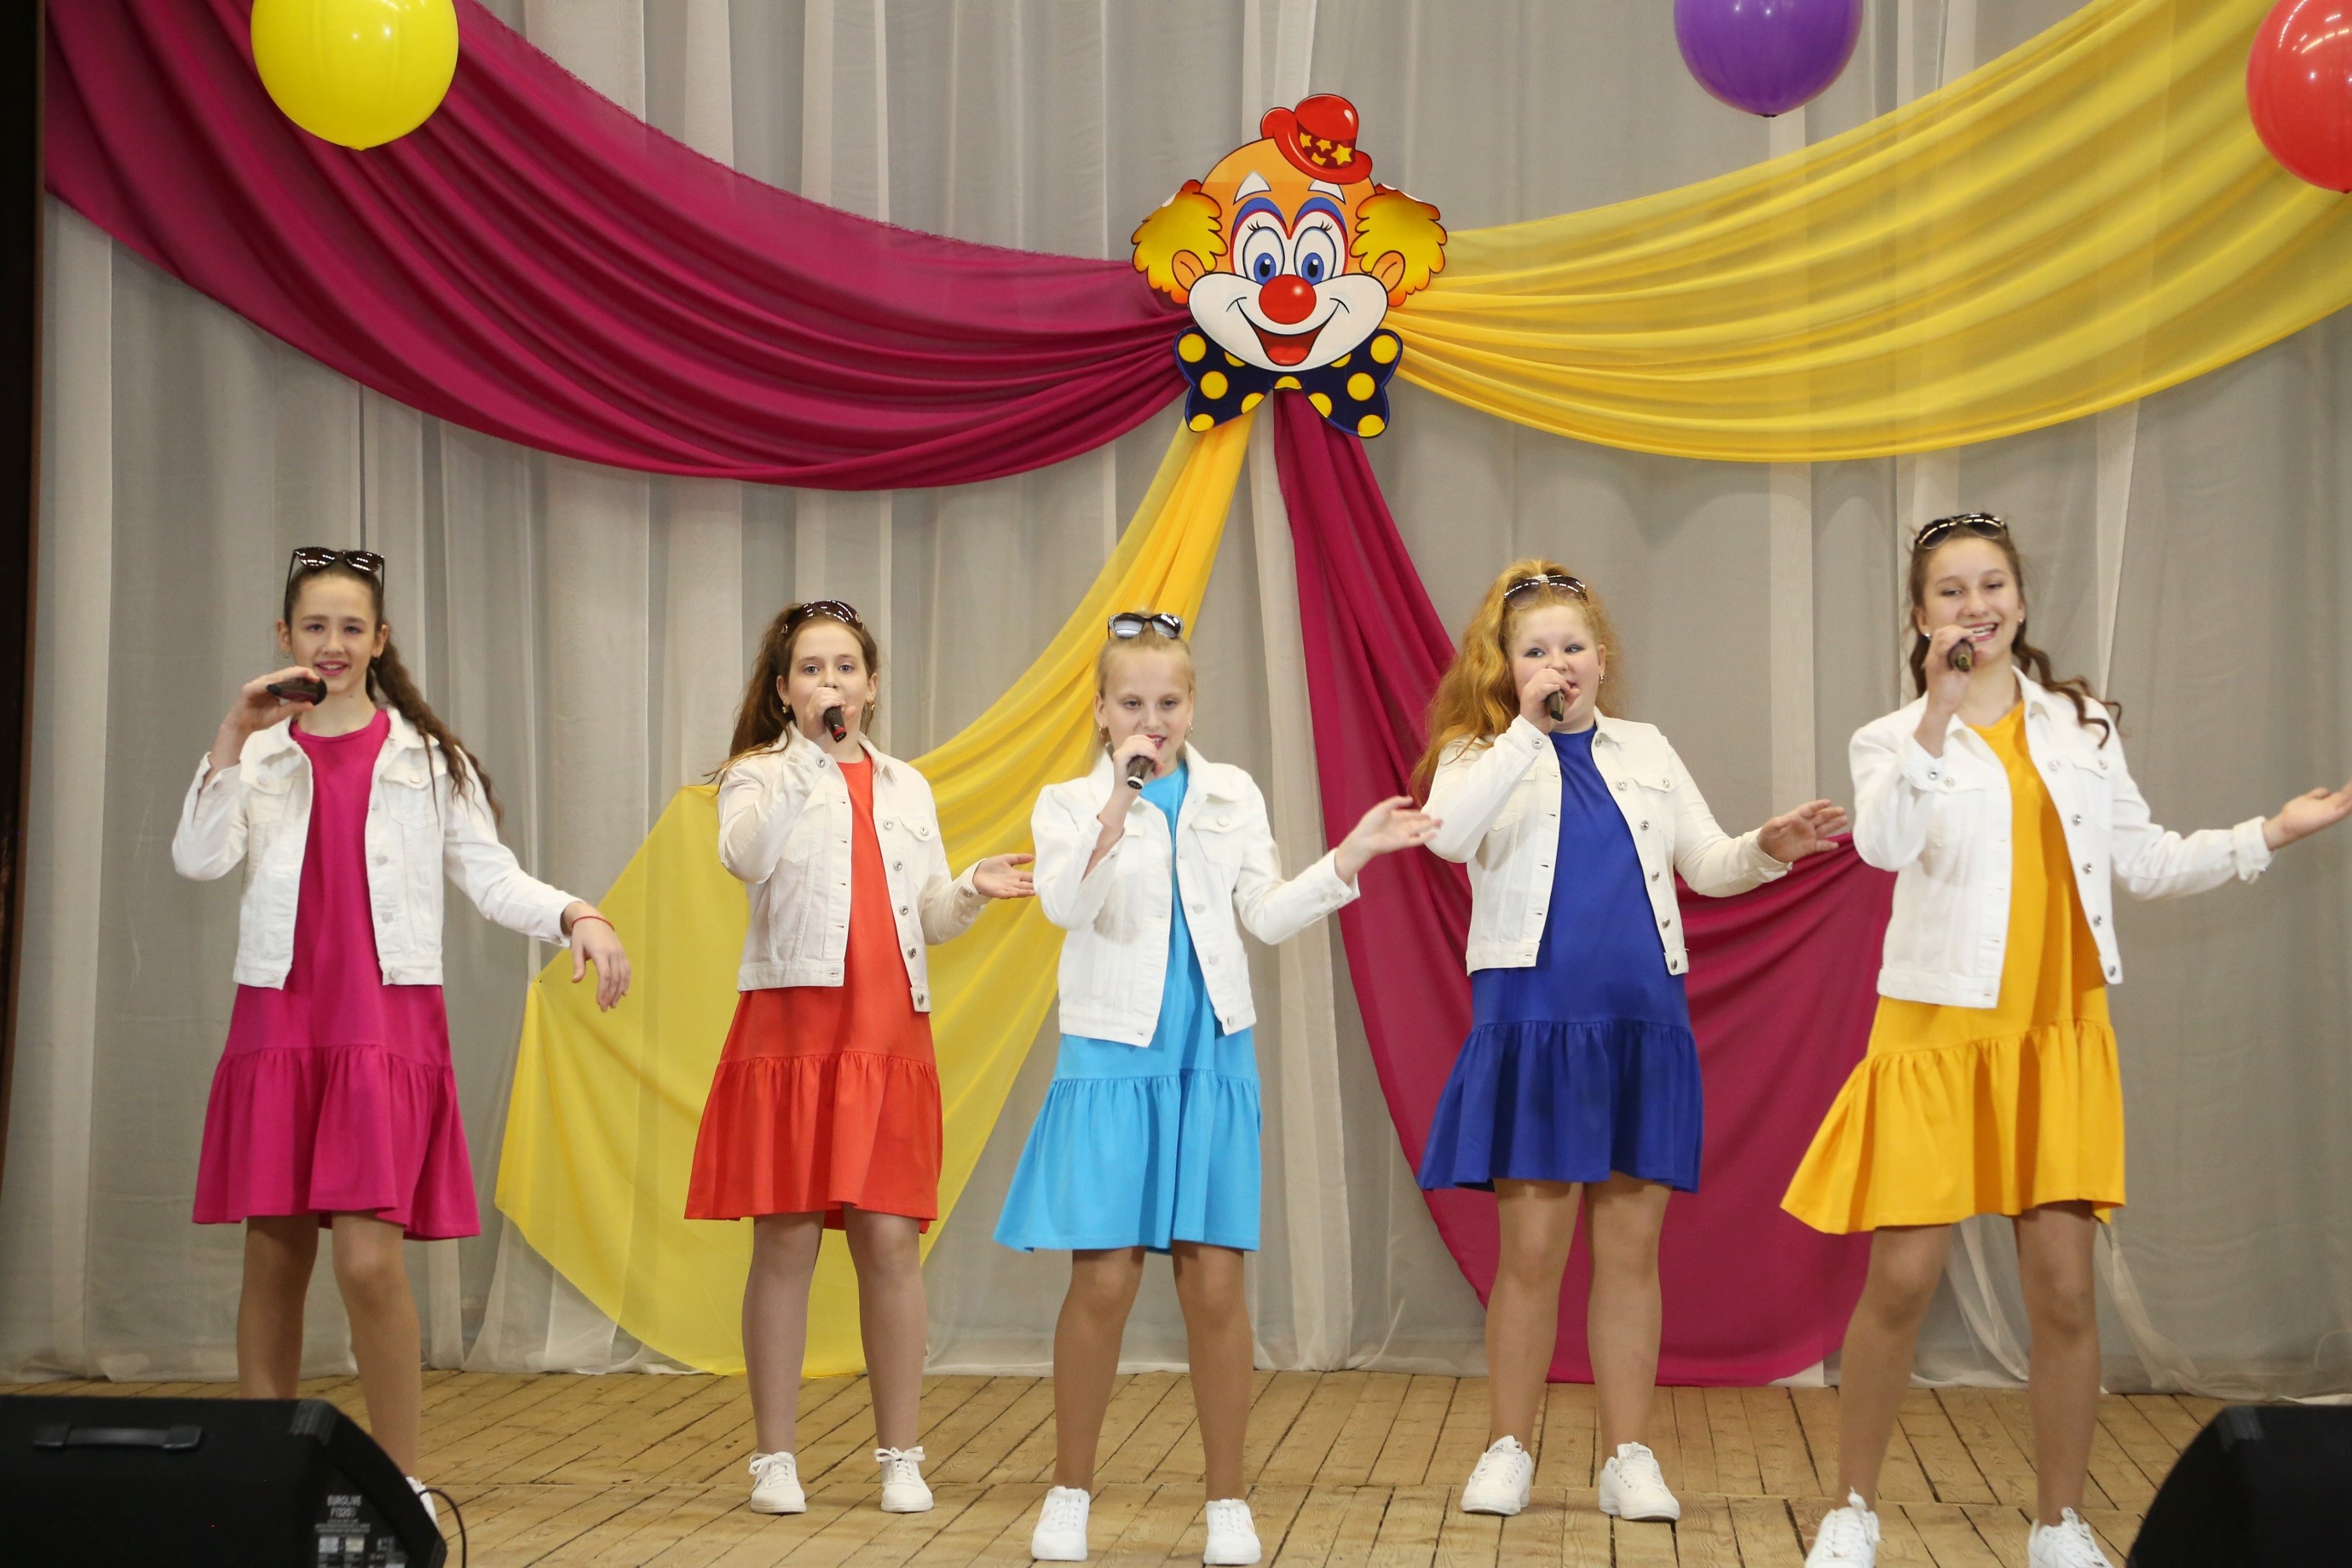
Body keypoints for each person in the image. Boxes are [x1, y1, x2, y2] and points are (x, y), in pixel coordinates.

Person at [1785, 515, 2352, 1568]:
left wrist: (2268, 834)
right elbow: (1884, 844)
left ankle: (2059, 1522)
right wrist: (1938, 712)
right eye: (1951, 591)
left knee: (2063, 1292)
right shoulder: (1892, 736)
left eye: (1992, 584)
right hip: (1939, 1028)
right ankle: (1851, 1507)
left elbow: (2143, 859)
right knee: (1900, 1283)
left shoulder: (2080, 725)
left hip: (2059, 1029)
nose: (1976, 606)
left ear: (2021, 598)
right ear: (1921, 616)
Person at [174, 546, 630, 1518]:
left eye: (351, 627)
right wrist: (233, 731)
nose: (332, 644)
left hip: (384, 1025)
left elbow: (492, 877)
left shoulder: (426, 760)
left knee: (369, 1261)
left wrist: (577, 914)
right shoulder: (261, 754)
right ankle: (266, 1483)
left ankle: (399, 1481)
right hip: (280, 1020)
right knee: (274, 1260)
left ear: (380, 640)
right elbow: (199, 859)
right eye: (314, 626)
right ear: (285, 637)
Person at [998, 611, 1437, 1565]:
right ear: (1102, 711)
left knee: (1216, 1283)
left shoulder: (1232, 793)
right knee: (1102, 1279)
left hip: (1213, 1054)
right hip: (1113, 1053)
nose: (1150, 722)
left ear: (1193, 705)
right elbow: (1065, 904)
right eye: (1131, 704)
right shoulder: (1069, 803)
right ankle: (1069, 1492)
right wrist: (1118, 806)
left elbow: (1265, 915)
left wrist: (1350, 856)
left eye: (1168, 703)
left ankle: (1227, 1502)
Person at [1416, 561, 1845, 1522]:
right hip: (1532, 1021)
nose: (1558, 662)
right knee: (1532, 1252)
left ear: (1602, 659)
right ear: (1506, 666)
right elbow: (1448, 838)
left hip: (1643, 1024)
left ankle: (1629, 1457)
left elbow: (1706, 862)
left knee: (1630, 1254)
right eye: (1536, 650)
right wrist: (1527, 730)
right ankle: (1508, 1447)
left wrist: (1767, 848)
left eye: (1573, 646)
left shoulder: (1647, 748)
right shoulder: (1479, 753)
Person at [689, 598, 1034, 1519]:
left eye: (845, 667)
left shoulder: (907, 786)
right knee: (786, 1239)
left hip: (887, 1033)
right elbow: (745, 859)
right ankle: (774, 1459)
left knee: (890, 1240)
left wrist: (972, 887)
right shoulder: (758, 774)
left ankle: (901, 1456)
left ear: (872, 686)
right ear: (783, 690)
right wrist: (810, 759)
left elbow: (927, 913)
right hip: (793, 1030)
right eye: (811, 669)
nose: (830, 682)